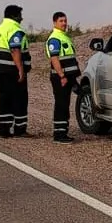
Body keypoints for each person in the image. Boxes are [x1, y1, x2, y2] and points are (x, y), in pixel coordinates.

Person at [0, 4, 31, 138]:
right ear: (14, 16)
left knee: (5, 98)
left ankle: (4, 129)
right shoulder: (14, 29)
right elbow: (15, 50)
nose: (22, 18)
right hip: (12, 70)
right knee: (20, 98)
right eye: (20, 15)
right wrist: (20, 69)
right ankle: (20, 129)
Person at [45, 11, 80, 144]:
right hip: (61, 78)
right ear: (54, 23)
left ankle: (63, 132)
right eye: (61, 21)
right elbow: (54, 59)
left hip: (69, 77)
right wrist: (62, 76)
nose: (64, 23)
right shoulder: (55, 38)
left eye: (65, 20)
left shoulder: (64, 37)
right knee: (61, 105)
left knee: (65, 105)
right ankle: (59, 135)